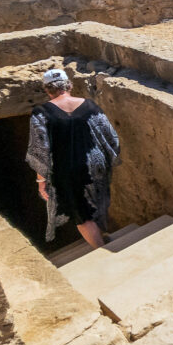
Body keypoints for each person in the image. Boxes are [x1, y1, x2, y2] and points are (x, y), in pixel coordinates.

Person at [26, 69, 120, 248]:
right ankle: (102, 237)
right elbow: (111, 136)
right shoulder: (89, 105)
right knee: (95, 201)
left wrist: (41, 181)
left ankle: (100, 248)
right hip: (95, 164)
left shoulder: (41, 112)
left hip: (66, 171)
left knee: (80, 212)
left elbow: (40, 150)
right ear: (69, 85)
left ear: (48, 90)